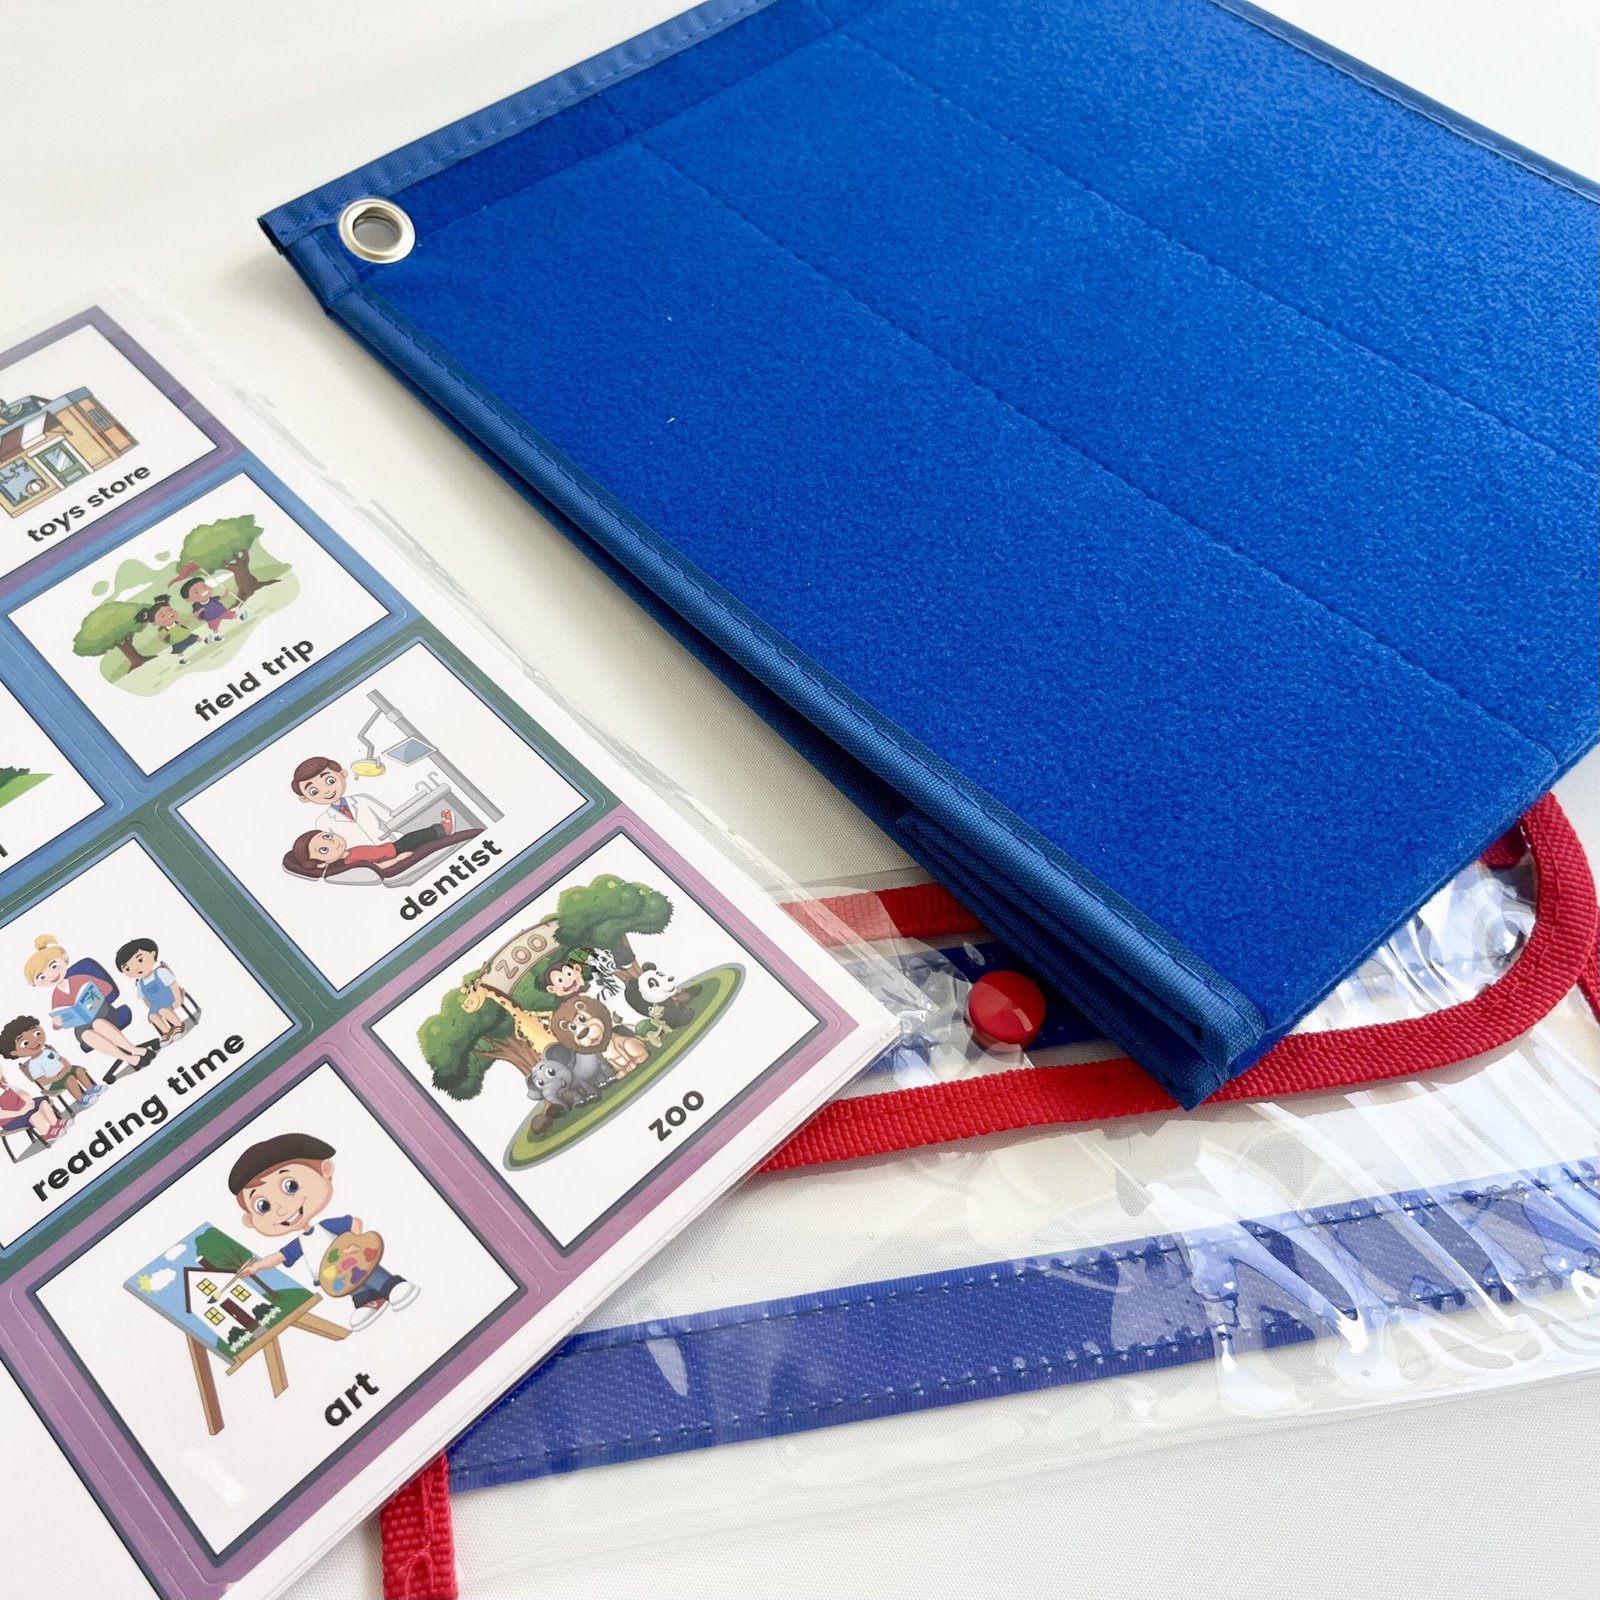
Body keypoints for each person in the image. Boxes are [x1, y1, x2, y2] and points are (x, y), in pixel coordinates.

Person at [230, 1132, 419, 1332]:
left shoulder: (326, 1226)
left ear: (325, 1170)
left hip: (354, 1259)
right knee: (353, 1288)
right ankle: (368, 1301)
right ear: (250, 1220)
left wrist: (354, 1242)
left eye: (290, 1186)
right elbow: (280, 1256)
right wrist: (257, 1266)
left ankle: (392, 1286)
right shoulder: (301, 1243)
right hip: (334, 1276)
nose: (281, 1210)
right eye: (263, 1206)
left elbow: (354, 1222)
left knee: (371, 1274)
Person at [24, 936, 154, 1075]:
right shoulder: (56, 995)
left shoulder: (80, 978)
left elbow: (108, 989)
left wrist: (93, 995)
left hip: (104, 1013)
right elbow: (57, 1022)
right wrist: (57, 1023)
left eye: (54, 966)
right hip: (82, 1025)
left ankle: (134, 1050)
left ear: (64, 958)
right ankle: (128, 1058)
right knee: (86, 1035)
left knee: (97, 1023)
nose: (51, 975)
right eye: (42, 977)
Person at [289, 811, 454, 878]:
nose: (331, 842)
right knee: (414, 838)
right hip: (395, 852)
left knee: (413, 837)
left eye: (326, 837)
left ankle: (439, 831)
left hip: (391, 847)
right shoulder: (350, 862)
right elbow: (376, 867)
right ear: (321, 863)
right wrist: (398, 859)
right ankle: (442, 830)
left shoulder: (350, 852)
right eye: (324, 849)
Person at [291, 757, 394, 848]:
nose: (326, 791)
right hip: (364, 860)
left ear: (343, 773)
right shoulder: (323, 822)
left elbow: (391, 818)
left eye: (330, 781)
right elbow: (332, 850)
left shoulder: (363, 799)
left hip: (392, 846)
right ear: (304, 798)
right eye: (314, 791)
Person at [0, 1014, 101, 1106]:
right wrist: (60, 1075)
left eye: (37, 1033)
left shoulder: (47, 1051)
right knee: (69, 1078)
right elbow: (43, 1081)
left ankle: (91, 1089)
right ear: (14, 1052)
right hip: (52, 1082)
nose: (35, 1041)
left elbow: (61, 1059)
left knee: (78, 1070)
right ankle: (81, 1099)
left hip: (64, 1071)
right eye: (25, 1043)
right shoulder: (33, 1065)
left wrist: (67, 1066)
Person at [114, 938, 189, 1039]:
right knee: (152, 1016)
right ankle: (167, 1032)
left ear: (153, 954)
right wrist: (151, 1008)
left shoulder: (161, 972)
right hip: (156, 1004)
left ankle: (179, 1026)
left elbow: (173, 985)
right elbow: (145, 999)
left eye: (140, 960)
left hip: (170, 997)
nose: (136, 968)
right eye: (128, 968)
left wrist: (178, 999)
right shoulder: (140, 984)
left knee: (163, 1010)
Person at [136, 595, 201, 665]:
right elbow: (161, 638)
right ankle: (182, 660)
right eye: (162, 616)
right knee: (180, 651)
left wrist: (192, 617)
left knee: (197, 638)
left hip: (186, 635)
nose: (169, 614)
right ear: (154, 623)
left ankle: (206, 641)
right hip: (177, 641)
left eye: (170, 610)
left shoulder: (176, 622)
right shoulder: (163, 629)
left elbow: (185, 622)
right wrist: (167, 633)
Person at [179, 574, 245, 638]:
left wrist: (226, 592)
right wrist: (199, 611)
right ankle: (217, 636)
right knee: (215, 627)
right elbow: (195, 615)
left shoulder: (212, 599)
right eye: (196, 592)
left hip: (222, 612)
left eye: (204, 587)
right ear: (189, 600)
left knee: (231, 615)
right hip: (212, 618)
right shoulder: (197, 605)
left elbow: (222, 597)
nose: (204, 591)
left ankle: (240, 616)